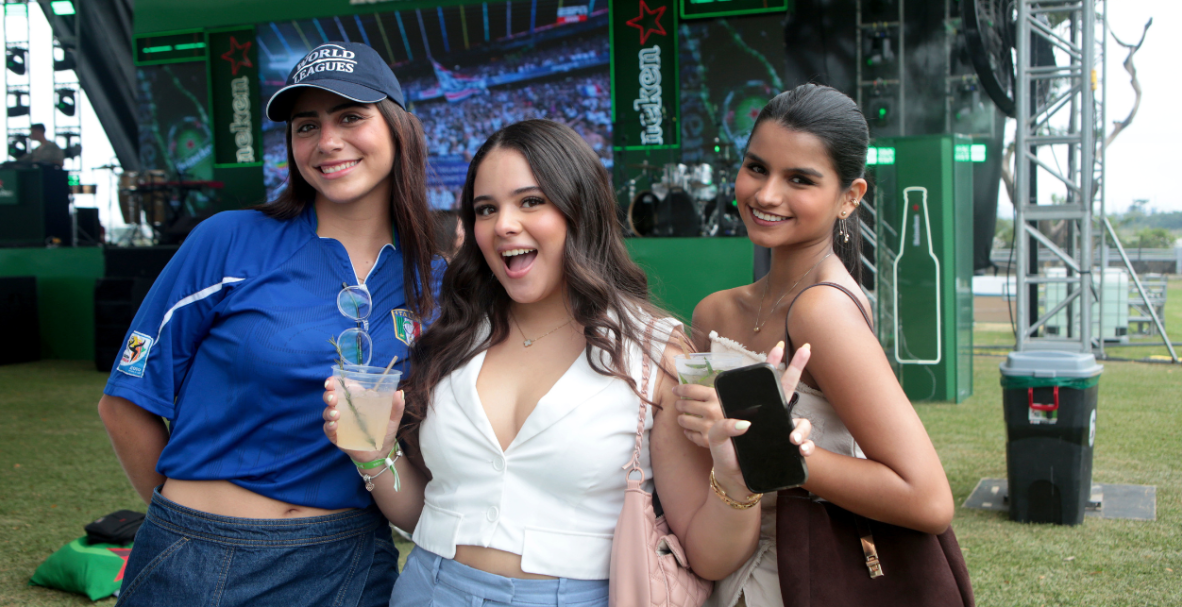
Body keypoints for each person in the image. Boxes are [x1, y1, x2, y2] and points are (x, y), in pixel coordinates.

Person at [319, 119, 815, 607]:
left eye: (531, 201)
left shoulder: (652, 353)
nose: (504, 224)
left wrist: (734, 481)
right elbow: (425, 514)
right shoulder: (453, 338)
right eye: (486, 209)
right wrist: (375, 454)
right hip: (426, 587)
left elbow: (708, 558)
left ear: (580, 209)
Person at [96, 41, 442, 607]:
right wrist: (184, 520)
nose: (327, 141)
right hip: (200, 555)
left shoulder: (434, 281)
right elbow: (124, 401)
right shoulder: (229, 240)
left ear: (399, 127)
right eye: (307, 125)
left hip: (348, 559)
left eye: (350, 116)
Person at [681, 84, 956, 607]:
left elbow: (927, 499)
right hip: (720, 567)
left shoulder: (821, 311)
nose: (766, 194)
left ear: (849, 197)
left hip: (802, 576)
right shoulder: (715, 312)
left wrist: (768, 441)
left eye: (800, 179)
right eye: (757, 167)